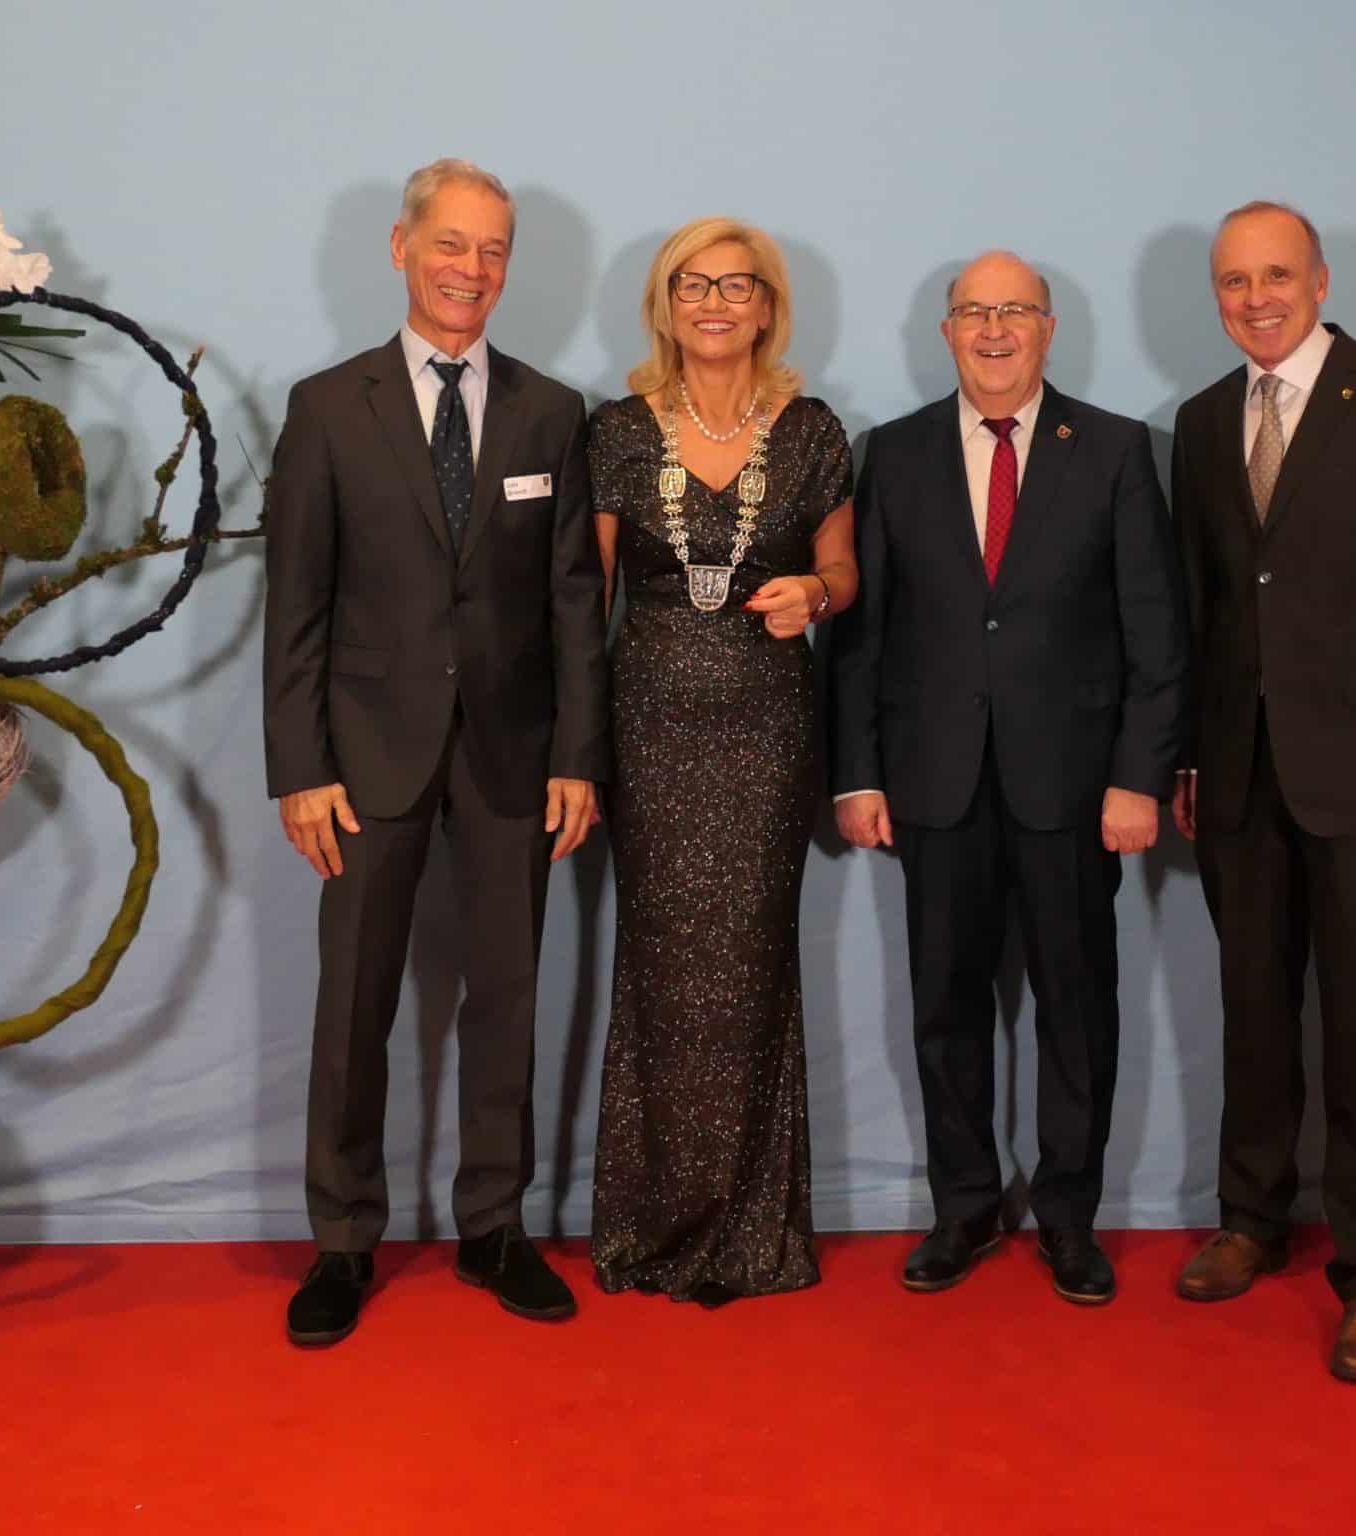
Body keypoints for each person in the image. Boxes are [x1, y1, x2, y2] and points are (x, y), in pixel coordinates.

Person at [262, 158, 611, 1346]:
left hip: (513, 757)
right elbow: (295, 607)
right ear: (401, 248)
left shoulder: (549, 412)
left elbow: (573, 604)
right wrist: (299, 768)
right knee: (354, 1002)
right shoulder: (327, 407)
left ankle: (493, 1226)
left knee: (505, 997)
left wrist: (577, 755)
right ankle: (342, 1239)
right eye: (452, 244)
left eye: (493, 250)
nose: (472, 269)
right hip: (364, 759)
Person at [831, 251, 1188, 1304]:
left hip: (1073, 790)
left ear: (1047, 328)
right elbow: (861, 635)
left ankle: (1068, 1215)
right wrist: (856, 774)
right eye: (974, 311)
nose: (994, 329)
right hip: (932, 784)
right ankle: (964, 1206)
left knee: (1076, 1008)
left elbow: (1155, 633)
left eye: (1015, 311)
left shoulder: (1114, 450)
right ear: (946, 330)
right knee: (944, 1008)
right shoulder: (892, 453)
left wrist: (1137, 777)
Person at [1168, 201, 1356, 1383]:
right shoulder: (1202, 421)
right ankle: (1250, 1217)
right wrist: (1189, 759)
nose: (1254, 299)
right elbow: (1203, 607)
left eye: (1274, 276)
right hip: (1234, 774)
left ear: (1319, 280)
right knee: (1251, 1008)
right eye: (1232, 281)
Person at [586, 217, 857, 1306]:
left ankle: (752, 1232)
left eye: (735, 286)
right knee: (661, 969)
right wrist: (572, 748)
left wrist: (817, 593)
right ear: (665, 303)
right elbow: (587, 601)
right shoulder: (616, 431)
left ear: (766, 307)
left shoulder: (812, 430)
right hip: (649, 730)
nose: (712, 303)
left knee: (751, 967)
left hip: (766, 731)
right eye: (691, 285)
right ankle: (652, 1226)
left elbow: (842, 569)